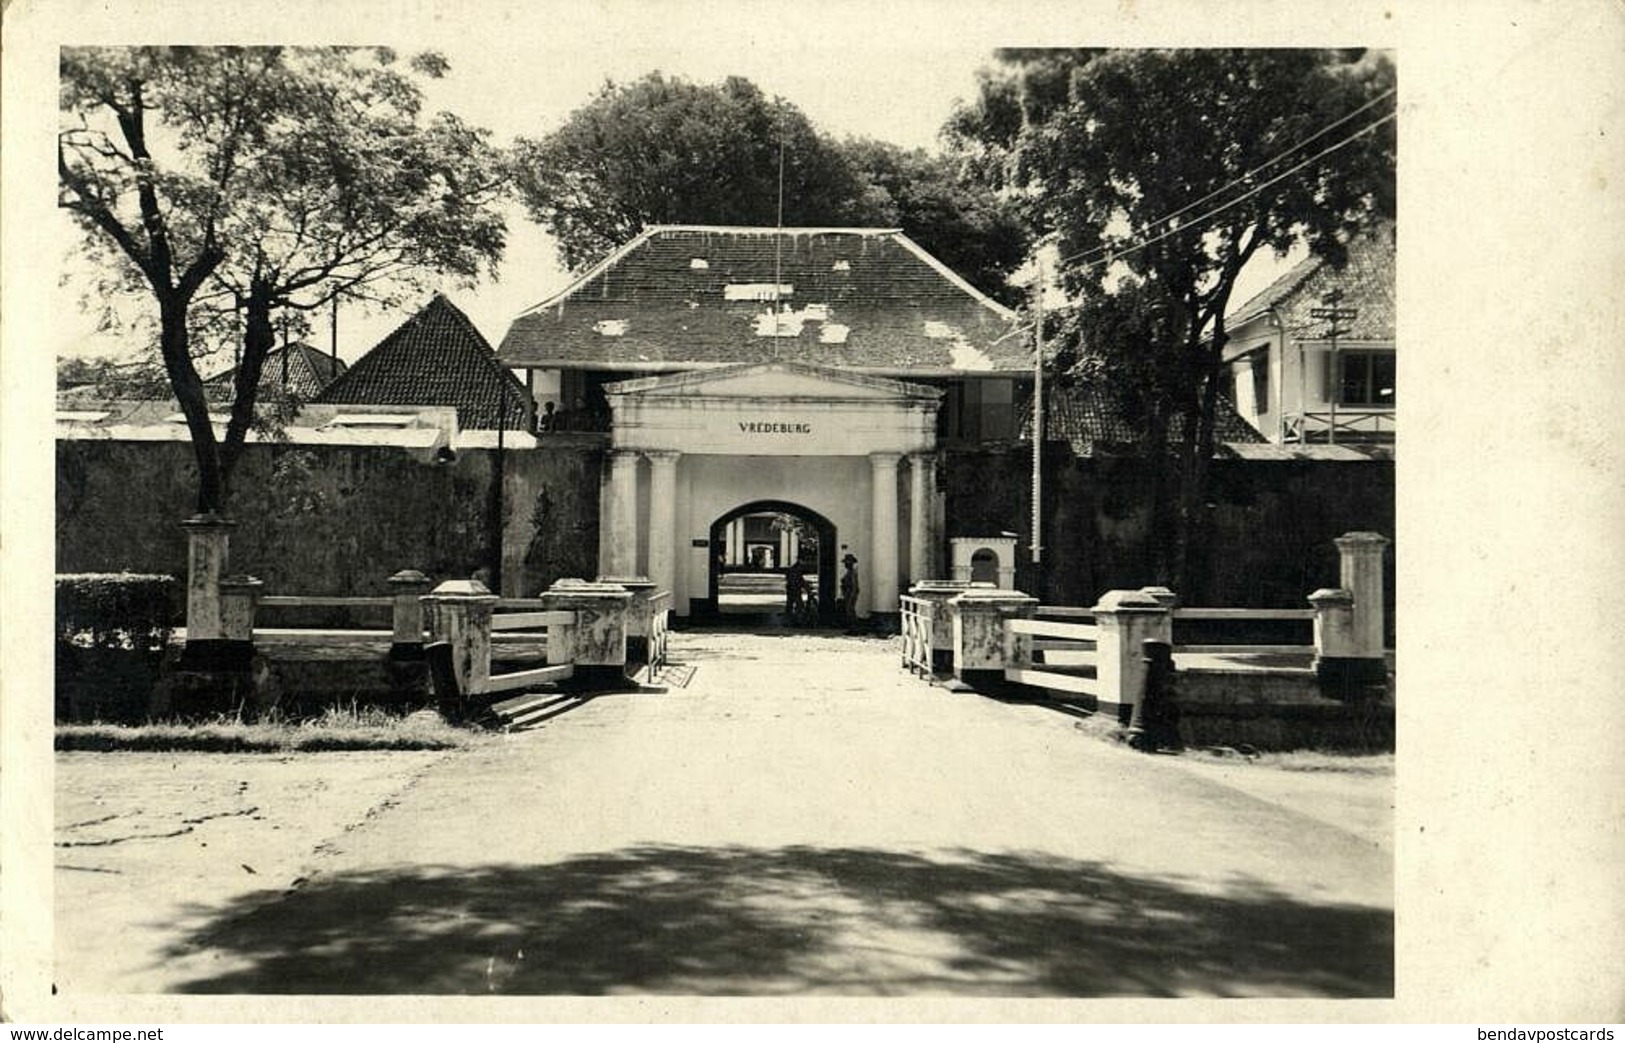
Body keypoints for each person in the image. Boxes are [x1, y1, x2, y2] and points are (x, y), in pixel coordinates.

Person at [839, 553, 861, 633]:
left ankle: (854, 628)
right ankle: (852, 628)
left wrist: (852, 595)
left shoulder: (852, 573)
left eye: (847, 562)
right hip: (848, 594)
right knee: (849, 611)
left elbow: (854, 585)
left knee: (850, 611)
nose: (845, 564)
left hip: (851, 594)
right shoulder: (849, 572)